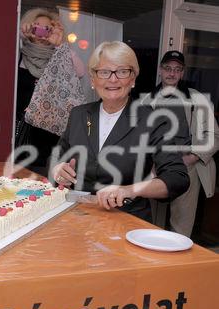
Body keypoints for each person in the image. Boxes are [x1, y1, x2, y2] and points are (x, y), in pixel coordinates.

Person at [51, 41, 190, 222]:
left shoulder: (153, 120)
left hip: (126, 220)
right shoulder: (78, 114)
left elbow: (177, 178)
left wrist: (129, 190)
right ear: (93, 79)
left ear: (132, 79)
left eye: (123, 71)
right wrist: (57, 169)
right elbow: (57, 156)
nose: (113, 79)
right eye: (104, 72)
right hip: (76, 216)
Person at [146, 50, 219, 236]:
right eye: (168, 68)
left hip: (188, 167)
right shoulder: (146, 101)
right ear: (161, 70)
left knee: (182, 226)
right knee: (153, 223)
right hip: (156, 168)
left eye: (177, 69)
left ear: (182, 73)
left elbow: (214, 136)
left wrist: (192, 157)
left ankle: (177, 261)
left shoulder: (198, 99)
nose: (172, 73)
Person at [15, 7, 86, 175]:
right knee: (20, 175)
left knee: (45, 175)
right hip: (22, 127)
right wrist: (20, 34)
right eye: (36, 27)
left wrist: (61, 44)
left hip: (49, 129)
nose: (40, 33)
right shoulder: (18, 54)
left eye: (46, 29)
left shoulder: (59, 56)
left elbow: (80, 72)